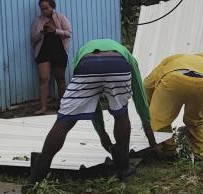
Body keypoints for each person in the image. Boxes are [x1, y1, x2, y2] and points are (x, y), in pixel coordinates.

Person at [28, 38, 157, 184]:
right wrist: (149, 133)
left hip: (87, 64)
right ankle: (123, 168)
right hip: (118, 64)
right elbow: (139, 95)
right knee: (121, 114)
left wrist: (102, 134)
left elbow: (91, 101)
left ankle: (38, 173)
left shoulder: (82, 53)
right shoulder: (127, 55)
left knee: (64, 120)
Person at [144, 52, 203, 158]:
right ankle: (202, 156)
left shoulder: (172, 59)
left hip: (174, 78)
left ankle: (169, 151)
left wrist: (149, 107)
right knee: (197, 122)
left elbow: (147, 84)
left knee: (159, 120)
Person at [30, 0, 72, 114]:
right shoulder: (37, 20)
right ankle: (43, 107)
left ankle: (62, 106)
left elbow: (68, 33)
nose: (44, 11)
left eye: (46, 8)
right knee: (43, 79)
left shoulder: (61, 17)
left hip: (59, 51)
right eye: (42, 9)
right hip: (43, 52)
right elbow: (33, 38)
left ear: (52, 7)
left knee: (60, 79)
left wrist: (55, 31)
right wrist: (41, 33)